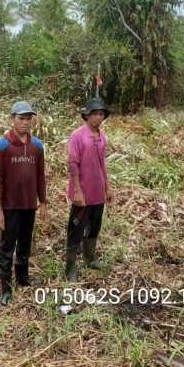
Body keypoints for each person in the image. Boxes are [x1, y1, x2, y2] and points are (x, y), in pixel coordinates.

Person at [0, 101, 48, 305]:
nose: (25, 122)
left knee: (25, 243)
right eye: (21, 118)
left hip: (28, 205)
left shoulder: (37, 146)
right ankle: (6, 289)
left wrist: (43, 202)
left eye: (28, 118)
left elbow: (40, 175)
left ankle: (23, 279)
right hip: (9, 206)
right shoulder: (2, 145)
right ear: (12, 119)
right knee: (7, 246)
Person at [65, 97, 113, 282]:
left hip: (97, 191)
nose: (98, 117)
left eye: (101, 114)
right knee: (76, 229)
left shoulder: (101, 136)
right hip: (82, 193)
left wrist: (107, 187)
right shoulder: (78, 135)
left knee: (94, 227)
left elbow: (102, 164)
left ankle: (89, 258)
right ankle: (70, 268)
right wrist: (76, 191)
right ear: (87, 115)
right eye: (94, 114)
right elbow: (72, 164)